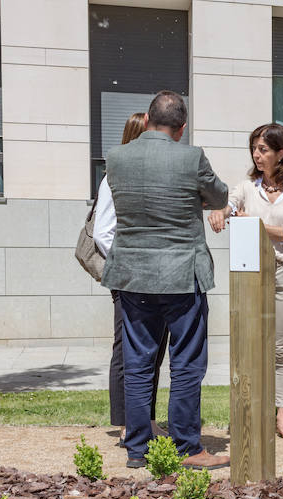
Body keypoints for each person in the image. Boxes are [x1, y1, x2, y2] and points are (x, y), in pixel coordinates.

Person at [101, 90, 230, 470]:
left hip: (132, 276)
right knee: (187, 363)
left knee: (138, 363)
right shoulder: (191, 157)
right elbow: (219, 195)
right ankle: (187, 448)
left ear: (148, 119)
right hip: (181, 276)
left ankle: (138, 449)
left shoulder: (117, 157)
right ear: (181, 127)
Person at [208, 123, 283, 439]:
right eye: (254, 148)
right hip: (250, 274)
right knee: (250, 346)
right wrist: (221, 211)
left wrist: (256, 225)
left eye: (263, 149)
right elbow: (230, 202)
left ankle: (282, 416)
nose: (256, 154)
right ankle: (251, 412)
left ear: (281, 153)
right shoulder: (248, 188)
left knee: (280, 349)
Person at [94, 112, 169, 447]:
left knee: (152, 351)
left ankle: (147, 419)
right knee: (126, 352)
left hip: (156, 280)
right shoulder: (114, 176)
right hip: (128, 277)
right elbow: (102, 233)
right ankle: (126, 423)